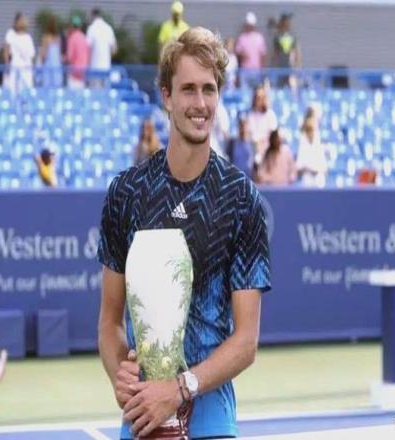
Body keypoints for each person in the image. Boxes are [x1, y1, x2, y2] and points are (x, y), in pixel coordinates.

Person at [97, 27, 271, 439]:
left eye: (209, 89)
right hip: (143, 418)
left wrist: (179, 389)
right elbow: (109, 322)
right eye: (188, 89)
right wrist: (121, 373)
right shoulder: (126, 192)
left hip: (212, 421)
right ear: (166, 96)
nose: (200, 103)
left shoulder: (242, 199)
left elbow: (246, 341)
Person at [296, 114, 334, 187]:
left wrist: (319, 170)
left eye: (313, 130)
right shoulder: (303, 146)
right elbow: (299, 168)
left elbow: (325, 168)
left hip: (319, 180)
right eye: (309, 130)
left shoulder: (319, 145)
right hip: (307, 180)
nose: (311, 133)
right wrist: (309, 169)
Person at [3, 12, 36, 95]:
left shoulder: (27, 37)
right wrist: (7, 64)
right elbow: (6, 50)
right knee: (14, 87)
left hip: (24, 65)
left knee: (24, 87)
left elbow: (31, 53)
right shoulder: (11, 34)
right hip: (16, 64)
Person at [247, 84, 278, 162]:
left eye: (262, 97)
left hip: (268, 152)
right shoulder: (251, 115)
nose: (260, 100)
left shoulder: (270, 114)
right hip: (254, 150)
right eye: (258, 98)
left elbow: (273, 135)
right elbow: (250, 135)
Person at [86, 8, 117, 86]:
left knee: (95, 91)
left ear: (92, 16)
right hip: (106, 68)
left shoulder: (91, 28)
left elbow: (87, 48)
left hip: (95, 68)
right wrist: (107, 57)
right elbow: (114, 49)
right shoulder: (108, 28)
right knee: (106, 91)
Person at [235, 11, 267, 84]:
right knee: (245, 90)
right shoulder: (242, 38)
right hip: (245, 71)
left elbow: (263, 56)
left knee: (257, 89)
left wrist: (263, 71)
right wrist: (242, 55)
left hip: (257, 72)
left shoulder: (259, 38)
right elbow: (238, 54)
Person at [271, 12, 300, 88]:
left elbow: (295, 51)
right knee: (279, 87)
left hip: (291, 67)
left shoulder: (292, 35)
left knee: (292, 88)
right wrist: (274, 66)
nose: (289, 23)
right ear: (283, 22)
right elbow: (275, 53)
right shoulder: (277, 36)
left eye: (289, 21)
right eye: (287, 21)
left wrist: (297, 65)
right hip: (280, 66)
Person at [66, 15, 90, 89]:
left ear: (72, 26)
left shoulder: (72, 38)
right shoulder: (84, 38)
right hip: (83, 73)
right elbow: (88, 55)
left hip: (74, 74)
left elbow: (70, 57)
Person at [39, 16, 63, 88]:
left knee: (47, 88)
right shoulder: (58, 38)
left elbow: (43, 54)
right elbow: (59, 54)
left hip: (48, 66)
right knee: (57, 87)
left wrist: (41, 62)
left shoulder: (46, 38)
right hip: (57, 66)